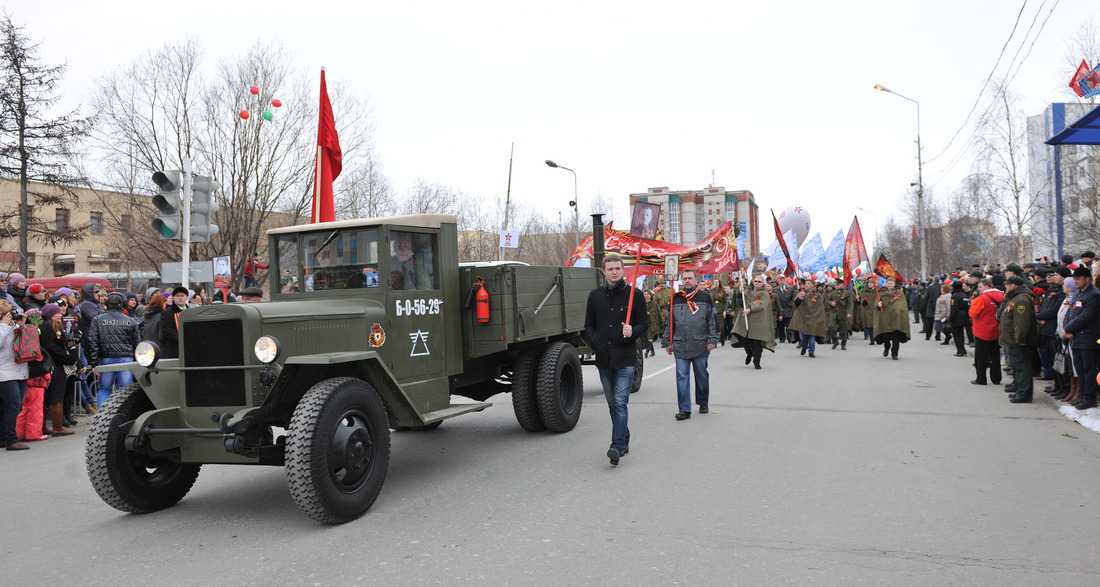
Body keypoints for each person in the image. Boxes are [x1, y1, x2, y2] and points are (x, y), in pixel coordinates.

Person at [584, 254, 648, 466]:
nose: (614, 272)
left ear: (623, 270)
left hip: (625, 359)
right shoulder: (595, 296)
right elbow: (589, 324)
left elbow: (643, 324)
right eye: (610, 269)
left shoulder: (634, 296)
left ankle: (617, 446)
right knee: (612, 404)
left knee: (620, 402)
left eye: (617, 268)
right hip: (604, 358)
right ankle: (625, 439)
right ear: (604, 271)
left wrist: (633, 330)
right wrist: (596, 342)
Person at [661, 268, 718, 419]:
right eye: (684, 278)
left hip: (700, 344)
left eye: (690, 278)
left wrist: (712, 340)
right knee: (682, 377)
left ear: (695, 280)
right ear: (681, 280)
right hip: (680, 345)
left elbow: (712, 320)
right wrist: (667, 341)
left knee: (701, 376)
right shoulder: (675, 299)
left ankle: (703, 401)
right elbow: (669, 322)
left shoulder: (705, 297)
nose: (687, 281)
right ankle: (684, 409)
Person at [87, 292, 141, 407]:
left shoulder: (97, 320)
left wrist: (94, 362)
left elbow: (92, 342)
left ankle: (102, 416)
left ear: (107, 304)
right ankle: (123, 415)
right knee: (125, 390)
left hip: (106, 359)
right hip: (126, 359)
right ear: (123, 304)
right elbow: (137, 343)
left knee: (104, 389)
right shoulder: (131, 321)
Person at [1062, 266, 1100, 410]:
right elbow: (1070, 312)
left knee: (1088, 369)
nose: (1075, 282)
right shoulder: (1078, 293)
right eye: (1074, 279)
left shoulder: (1094, 295)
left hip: (1088, 338)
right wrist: (1066, 327)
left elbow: (1086, 317)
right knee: (1080, 369)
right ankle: (1083, 396)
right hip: (1076, 338)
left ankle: (1090, 398)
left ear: (1087, 279)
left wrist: (1068, 328)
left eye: (1078, 279)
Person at [1000, 276, 1040, 403]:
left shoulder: (1021, 299)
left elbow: (1022, 322)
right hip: (1013, 339)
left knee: (1023, 367)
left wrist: (1020, 339)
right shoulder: (1015, 297)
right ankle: (1020, 390)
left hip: (1018, 340)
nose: (1005, 287)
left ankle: (1024, 394)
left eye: (1007, 284)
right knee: (1018, 367)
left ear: (1013, 285)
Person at [39, 303, 77, 436]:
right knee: (57, 396)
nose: (61, 315)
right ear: (50, 315)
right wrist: (70, 359)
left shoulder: (50, 328)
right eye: (57, 313)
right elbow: (52, 348)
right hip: (54, 366)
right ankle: (57, 427)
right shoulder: (47, 328)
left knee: (48, 397)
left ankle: (43, 426)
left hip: (50, 367)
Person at [0, 301, 30, 450]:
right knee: (12, 405)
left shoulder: (14, 327)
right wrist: (4, 326)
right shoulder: (4, 328)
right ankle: (11, 440)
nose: (9, 316)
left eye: (10, 312)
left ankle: (2, 438)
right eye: (5, 313)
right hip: (4, 372)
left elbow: (28, 343)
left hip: (20, 371)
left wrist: (22, 325)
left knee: (15, 407)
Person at [1037, 266, 1070, 397]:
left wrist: (1040, 316)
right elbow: (1047, 305)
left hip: (1053, 328)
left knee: (1059, 361)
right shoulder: (1054, 288)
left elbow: (1055, 309)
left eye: (1056, 275)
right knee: (1053, 360)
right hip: (1048, 329)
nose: (1054, 277)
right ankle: (1058, 385)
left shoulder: (1062, 291)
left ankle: (1064, 387)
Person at [731, 275, 775, 369]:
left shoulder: (765, 294)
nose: (757, 283)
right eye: (756, 281)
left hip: (758, 320)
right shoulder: (747, 291)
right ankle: (749, 353)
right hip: (746, 319)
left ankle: (757, 362)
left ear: (763, 284)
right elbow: (740, 302)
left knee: (756, 342)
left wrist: (750, 309)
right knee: (745, 340)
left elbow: (762, 305)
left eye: (759, 282)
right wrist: (740, 292)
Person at [968, 279, 1003, 385]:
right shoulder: (1001, 297)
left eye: (980, 287)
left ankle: (981, 378)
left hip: (982, 331)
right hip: (995, 330)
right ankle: (996, 378)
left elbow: (973, 314)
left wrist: (971, 307)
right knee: (995, 356)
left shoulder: (982, 298)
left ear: (987, 286)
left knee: (980, 357)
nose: (978, 289)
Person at [873, 277, 911, 360]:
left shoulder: (899, 293)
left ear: (894, 284)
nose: (890, 284)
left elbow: (902, 305)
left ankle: (894, 353)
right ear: (886, 284)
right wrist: (878, 305)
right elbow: (876, 305)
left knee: (895, 337)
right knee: (886, 336)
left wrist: (897, 310)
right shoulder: (881, 293)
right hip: (885, 319)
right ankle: (887, 347)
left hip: (896, 319)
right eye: (888, 283)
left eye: (891, 283)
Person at [789, 280, 826, 357]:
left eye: (808, 283)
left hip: (813, 318)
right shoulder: (801, 293)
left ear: (813, 285)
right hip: (802, 317)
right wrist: (800, 298)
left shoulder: (817, 295)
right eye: (805, 283)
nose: (806, 285)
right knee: (801, 336)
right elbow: (796, 304)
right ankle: (804, 347)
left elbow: (818, 307)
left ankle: (811, 352)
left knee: (812, 336)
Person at [159, 286, 189, 359]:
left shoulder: (191, 312)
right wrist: (182, 339)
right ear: (173, 298)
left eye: (182, 296)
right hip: (174, 349)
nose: (180, 298)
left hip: (189, 347)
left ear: (186, 297)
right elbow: (167, 331)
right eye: (177, 296)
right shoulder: (166, 313)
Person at [825, 279, 851, 350]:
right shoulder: (833, 293)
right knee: (831, 327)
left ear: (842, 284)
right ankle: (835, 341)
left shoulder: (846, 293)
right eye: (836, 284)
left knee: (844, 330)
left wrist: (849, 312)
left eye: (838, 284)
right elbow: (827, 300)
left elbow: (851, 303)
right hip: (834, 313)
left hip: (843, 313)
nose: (836, 286)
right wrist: (831, 303)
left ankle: (843, 344)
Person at [948, 281, 969, 357]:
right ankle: (962, 350)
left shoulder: (956, 296)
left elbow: (954, 308)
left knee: (956, 335)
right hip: (964, 316)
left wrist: (951, 318)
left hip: (957, 316)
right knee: (961, 334)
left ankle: (960, 350)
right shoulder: (965, 295)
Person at [773, 277, 795, 343]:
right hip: (780, 309)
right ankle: (782, 338)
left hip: (788, 308)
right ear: (778, 282)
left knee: (789, 324)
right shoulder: (775, 290)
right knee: (780, 325)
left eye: (783, 281)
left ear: (785, 281)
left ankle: (790, 337)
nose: (781, 282)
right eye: (780, 281)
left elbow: (792, 298)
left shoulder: (790, 289)